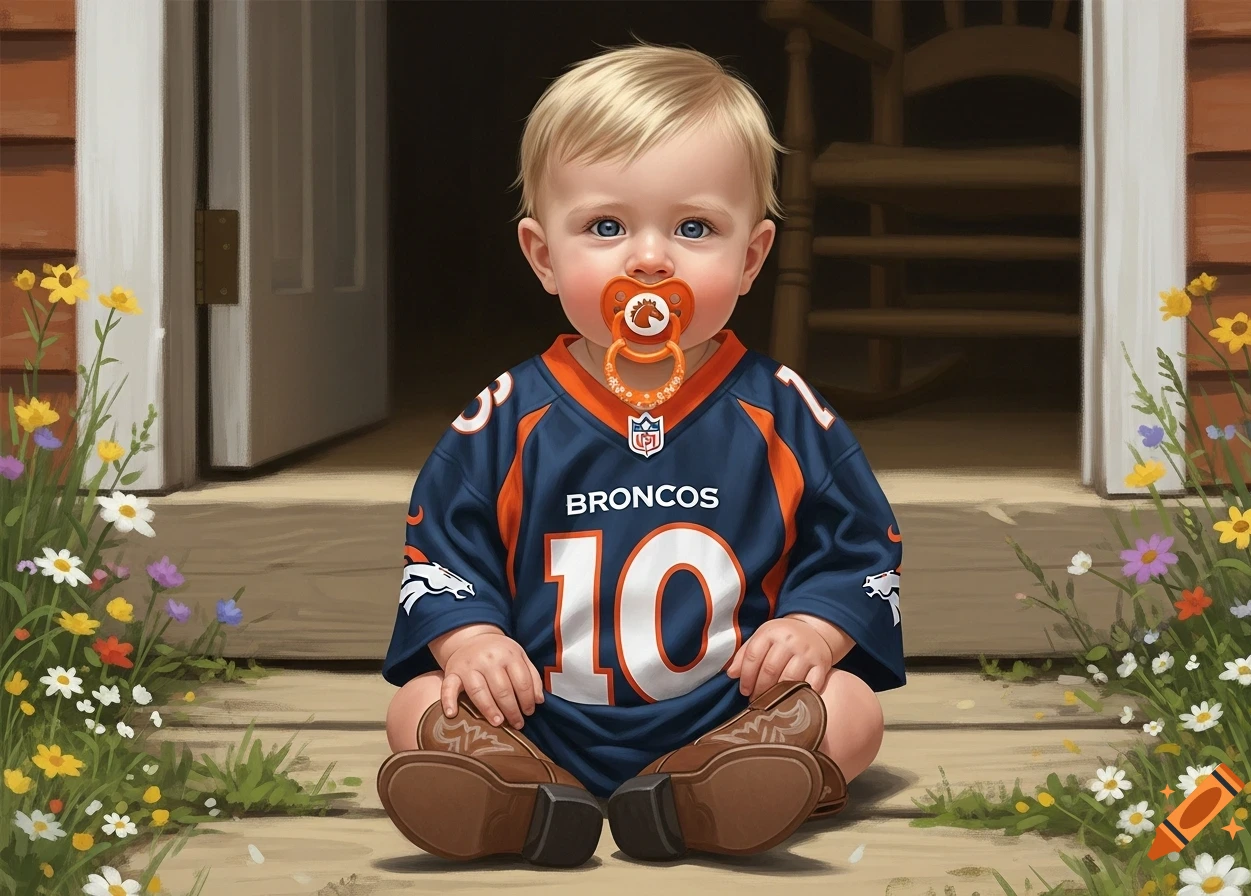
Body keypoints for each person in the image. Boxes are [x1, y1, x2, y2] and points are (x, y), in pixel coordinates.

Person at [377, 41, 905, 868]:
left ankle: (711, 793)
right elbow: (444, 545)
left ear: (751, 256)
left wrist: (812, 627)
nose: (650, 258)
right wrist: (471, 639)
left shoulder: (784, 413)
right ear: (544, 255)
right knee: (416, 704)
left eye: (694, 227)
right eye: (606, 226)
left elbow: (861, 543)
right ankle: (513, 791)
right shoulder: (507, 418)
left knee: (853, 709)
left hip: (734, 717)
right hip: (541, 715)